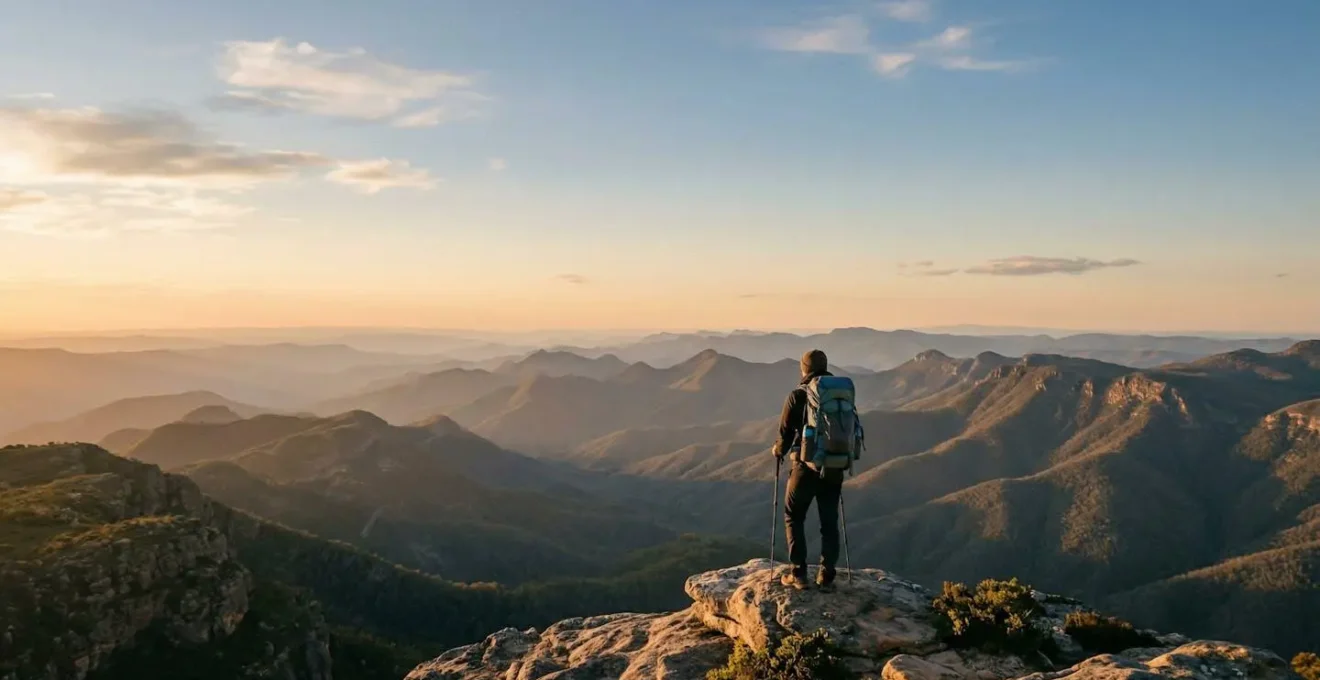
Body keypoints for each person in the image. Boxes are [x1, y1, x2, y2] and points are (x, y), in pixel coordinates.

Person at [772, 349, 845, 591]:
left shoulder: (797, 395)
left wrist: (777, 451)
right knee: (829, 522)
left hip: (805, 467)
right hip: (834, 466)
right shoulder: (839, 396)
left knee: (793, 515)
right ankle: (827, 575)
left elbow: (784, 436)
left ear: (804, 369)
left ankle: (799, 573)